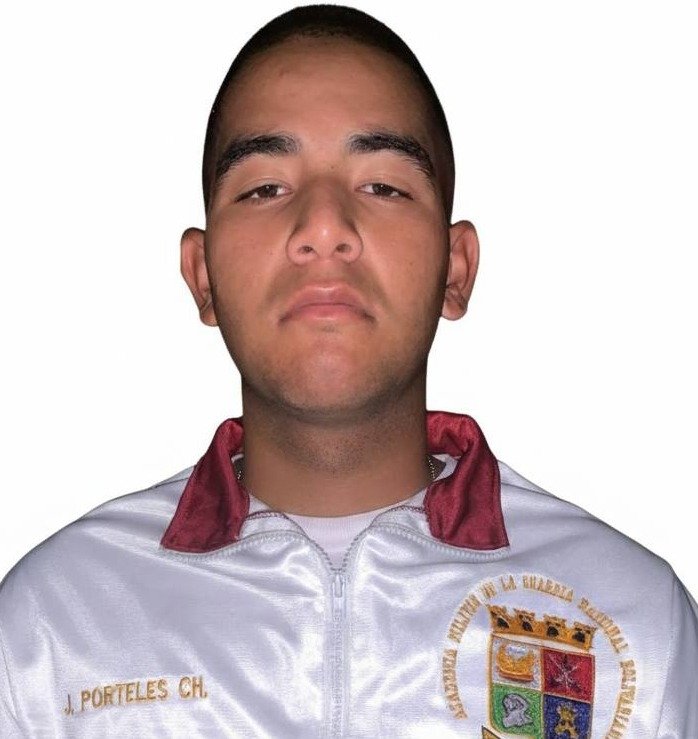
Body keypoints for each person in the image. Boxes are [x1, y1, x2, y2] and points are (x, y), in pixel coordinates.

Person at [1, 4, 696, 736]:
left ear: (455, 269)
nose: (324, 226)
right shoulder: (48, 632)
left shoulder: (638, 626)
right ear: (202, 276)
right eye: (265, 188)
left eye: (383, 186)